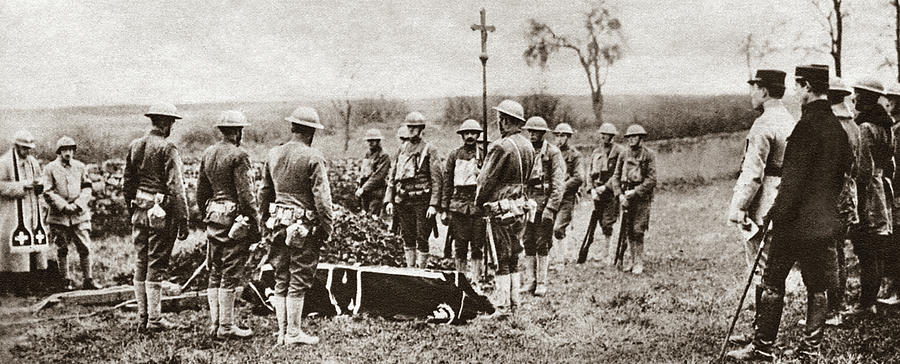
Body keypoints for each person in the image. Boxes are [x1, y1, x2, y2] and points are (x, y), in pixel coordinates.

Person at [727, 65, 851, 362]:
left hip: (793, 223)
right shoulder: (837, 129)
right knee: (817, 287)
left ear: (807, 86)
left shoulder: (805, 127)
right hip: (823, 222)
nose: (796, 92)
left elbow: (792, 182)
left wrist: (773, 214)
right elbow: (844, 174)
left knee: (772, 282)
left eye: (799, 87)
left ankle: (762, 348)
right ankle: (810, 351)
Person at [725, 70, 793, 344]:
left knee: (763, 269)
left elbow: (753, 173)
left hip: (765, 201)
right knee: (767, 268)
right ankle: (758, 332)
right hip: (785, 198)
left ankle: (762, 342)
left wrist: (739, 207)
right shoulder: (789, 119)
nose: (751, 93)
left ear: (764, 91)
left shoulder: (764, 124)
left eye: (753, 88)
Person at [259, 106, 333, 346]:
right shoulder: (313, 157)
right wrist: (326, 228)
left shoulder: (273, 154)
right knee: (298, 278)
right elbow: (323, 199)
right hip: (303, 227)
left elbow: (264, 193)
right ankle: (292, 333)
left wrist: (264, 222)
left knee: (281, 277)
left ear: (292, 127)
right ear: (311, 132)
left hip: (277, 224)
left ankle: (282, 332)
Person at [123, 102, 190, 332]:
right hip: (160, 213)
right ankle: (153, 319)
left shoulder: (135, 145)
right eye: (171, 122)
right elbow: (176, 187)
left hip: (140, 211)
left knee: (141, 261)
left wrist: (132, 210)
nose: (171, 126)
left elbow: (127, 184)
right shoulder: (167, 148)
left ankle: (143, 317)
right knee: (156, 263)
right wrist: (183, 219)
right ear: (164, 122)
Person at [196, 110, 259, 339]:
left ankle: (215, 324)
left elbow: (201, 192)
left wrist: (209, 214)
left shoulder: (208, 153)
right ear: (237, 131)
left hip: (213, 218)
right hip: (234, 221)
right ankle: (226, 327)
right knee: (230, 273)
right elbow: (247, 196)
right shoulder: (239, 155)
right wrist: (255, 226)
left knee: (215, 271)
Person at [475, 99, 534, 315]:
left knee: (500, 255)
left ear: (506, 121)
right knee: (514, 254)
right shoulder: (528, 145)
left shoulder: (501, 146)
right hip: (521, 205)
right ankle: (514, 303)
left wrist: (479, 202)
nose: (499, 124)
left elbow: (485, 180)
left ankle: (502, 307)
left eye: (500, 120)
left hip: (500, 206)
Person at [843, 77, 894, 318]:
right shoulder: (885, 124)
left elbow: (863, 169)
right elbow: (889, 162)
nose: (853, 98)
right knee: (877, 248)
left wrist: (857, 194)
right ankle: (869, 300)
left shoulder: (864, 127)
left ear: (866, 97)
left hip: (868, 194)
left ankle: (866, 304)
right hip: (883, 189)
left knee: (866, 249)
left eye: (857, 93)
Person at [384, 112, 442, 268]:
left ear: (421, 129)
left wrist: (434, 204)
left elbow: (437, 179)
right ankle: (410, 270)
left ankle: (421, 271)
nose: (411, 130)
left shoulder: (430, 149)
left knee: (422, 237)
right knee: (407, 236)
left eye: (414, 127)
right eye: (409, 127)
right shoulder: (401, 149)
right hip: (403, 200)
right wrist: (389, 200)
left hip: (422, 201)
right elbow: (392, 177)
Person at [42, 136, 100, 291]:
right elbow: (47, 191)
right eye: (64, 150)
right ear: (59, 152)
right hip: (59, 215)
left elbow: (87, 187)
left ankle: (88, 280)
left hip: (78, 214)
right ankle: (65, 281)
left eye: (70, 149)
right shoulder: (50, 168)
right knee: (62, 248)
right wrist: (63, 206)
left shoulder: (80, 167)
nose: (68, 153)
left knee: (84, 247)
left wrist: (78, 204)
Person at [0, 130, 49, 295]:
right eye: (24, 148)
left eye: (29, 149)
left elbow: (40, 179)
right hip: (13, 212)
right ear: (16, 146)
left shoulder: (32, 162)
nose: (27, 152)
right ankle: (17, 286)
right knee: (15, 251)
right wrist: (23, 186)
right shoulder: (5, 162)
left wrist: (39, 185)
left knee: (34, 248)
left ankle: (34, 283)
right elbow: (1, 186)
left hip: (31, 210)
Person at [520, 116, 564, 297]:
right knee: (527, 241)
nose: (532, 135)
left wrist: (551, 208)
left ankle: (542, 282)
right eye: (530, 131)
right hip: (527, 202)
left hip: (544, 203)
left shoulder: (552, 153)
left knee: (542, 242)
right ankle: (530, 281)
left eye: (536, 132)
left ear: (543, 133)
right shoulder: (526, 151)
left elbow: (558, 183)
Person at [827, 77, 860, 321]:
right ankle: (836, 306)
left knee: (832, 252)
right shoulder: (853, 125)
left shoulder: (832, 124)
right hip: (848, 193)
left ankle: (834, 308)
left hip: (831, 196)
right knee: (838, 251)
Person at [441, 119, 486, 279]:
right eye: (466, 133)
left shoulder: (485, 154)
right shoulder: (454, 155)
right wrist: (444, 209)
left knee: (477, 245)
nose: (469, 136)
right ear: (462, 136)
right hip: (459, 205)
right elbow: (447, 183)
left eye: (473, 133)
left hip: (477, 205)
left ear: (478, 135)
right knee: (459, 245)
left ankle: (475, 279)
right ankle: (461, 279)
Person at [609, 125, 657, 275]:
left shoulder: (649, 155)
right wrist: (620, 195)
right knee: (629, 230)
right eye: (629, 137)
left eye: (635, 137)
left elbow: (652, 179)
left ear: (641, 138)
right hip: (626, 195)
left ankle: (639, 262)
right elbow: (616, 177)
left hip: (642, 197)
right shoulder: (623, 154)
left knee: (638, 229)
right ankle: (632, 259)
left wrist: (635, 192)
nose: (631, 139)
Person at [584, 123, 625, 265]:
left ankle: (607, 255)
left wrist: (606, 188)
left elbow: (618, 174)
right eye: (601, 134)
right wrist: (591, 190)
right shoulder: (596, 152)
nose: (602, 137)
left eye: (605, 134)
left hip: (611, 192)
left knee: (608, 223)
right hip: (597, 193)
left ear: (612, 136)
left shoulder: (620, 152)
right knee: (602, 223)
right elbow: (589, 173)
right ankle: (604, 253)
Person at [551, 123, 584, 265]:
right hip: (552, 197)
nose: (559, 138)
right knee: (548, 228)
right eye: (557, 135)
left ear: (568, 137)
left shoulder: (575, 155)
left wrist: (563, 186)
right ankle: (555, 258)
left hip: (567, 198)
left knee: (558, 228)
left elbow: (579, 177)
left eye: (562, 135)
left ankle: (560, 260)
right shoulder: (551, 153)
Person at [880, 83, 900, 305]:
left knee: (896, 242)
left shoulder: (898, 130)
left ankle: (896, 291)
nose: (887, 103)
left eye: (892, 100)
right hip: (894, 191)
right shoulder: (892, 127)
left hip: (897, 193)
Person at [355, 129, 390, 216]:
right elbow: (364, 171)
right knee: (364, 217)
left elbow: (378, 176)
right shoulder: (368, 154)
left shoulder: (384, 156)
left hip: (376, 192)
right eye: (369, 141)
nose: (370, 143)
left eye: (373, 141)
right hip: (366, 193)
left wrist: (363, 188)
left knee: (372, 217)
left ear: (378, 141)